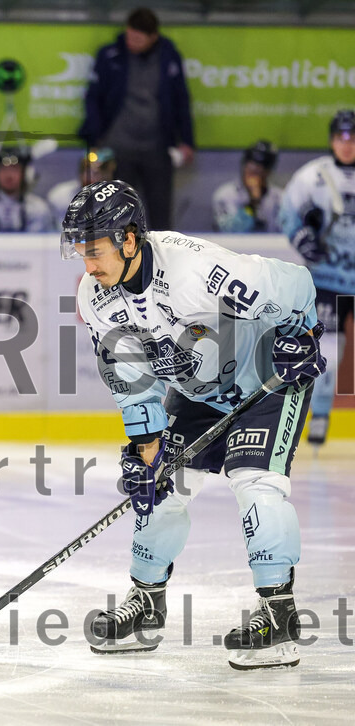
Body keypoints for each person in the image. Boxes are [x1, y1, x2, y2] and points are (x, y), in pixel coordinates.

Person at [64, 180, 323, 670]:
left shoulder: (198, 270)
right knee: (161, 490)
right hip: (197, 391)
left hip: (265, 376)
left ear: (130, 240)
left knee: (256, 484)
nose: (88, 265)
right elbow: (132, 380)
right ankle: (146, 604)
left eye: (94, 251)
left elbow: (295, 284)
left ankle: (280, 616)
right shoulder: (96, 298)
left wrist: (301, 334)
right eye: (81, 252)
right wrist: (145, 448)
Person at [78, 7, 194, 229]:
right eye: (130, 36)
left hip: (157, 147)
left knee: (160, 213)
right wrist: (95, 137)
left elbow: (181, 98)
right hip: (118, 146)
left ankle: (160, 261)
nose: (132, 43)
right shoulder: (110, 54)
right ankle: (122, 260)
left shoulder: (168, 56)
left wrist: (187, 140)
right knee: (119, 212)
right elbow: (93, 97)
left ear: (153, 37)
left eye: (139, 40)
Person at [279, 109, 355, 446]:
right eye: (341, 136)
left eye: (353, 137)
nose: (347, 144)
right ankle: (320, 415)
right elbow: (287, 211)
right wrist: (303, 240)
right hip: (328, 279)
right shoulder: (314, 175)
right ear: (331, 140)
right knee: (328, 351)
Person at [0, 147, 55, 232]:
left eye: (14, 169)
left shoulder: (39, 208)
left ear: (25, 175)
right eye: (4, 169)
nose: (9, 175)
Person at [213, 140, 283, 233]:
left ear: (269, 171)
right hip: (234, 247)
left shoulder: (280, 197)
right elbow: (229, 231)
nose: (255, 169)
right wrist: (252, 205)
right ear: (244, 164)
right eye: (251, 163)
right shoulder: (225, 195)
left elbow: (284, 232)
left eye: (262, 166)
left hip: (272, 246)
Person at [47, 147, 117, 216]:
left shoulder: (119, 198)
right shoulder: (60, 195)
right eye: (88, 169)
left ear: (111, 171)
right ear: (81, 172)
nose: (95, 176)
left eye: (103, 169)